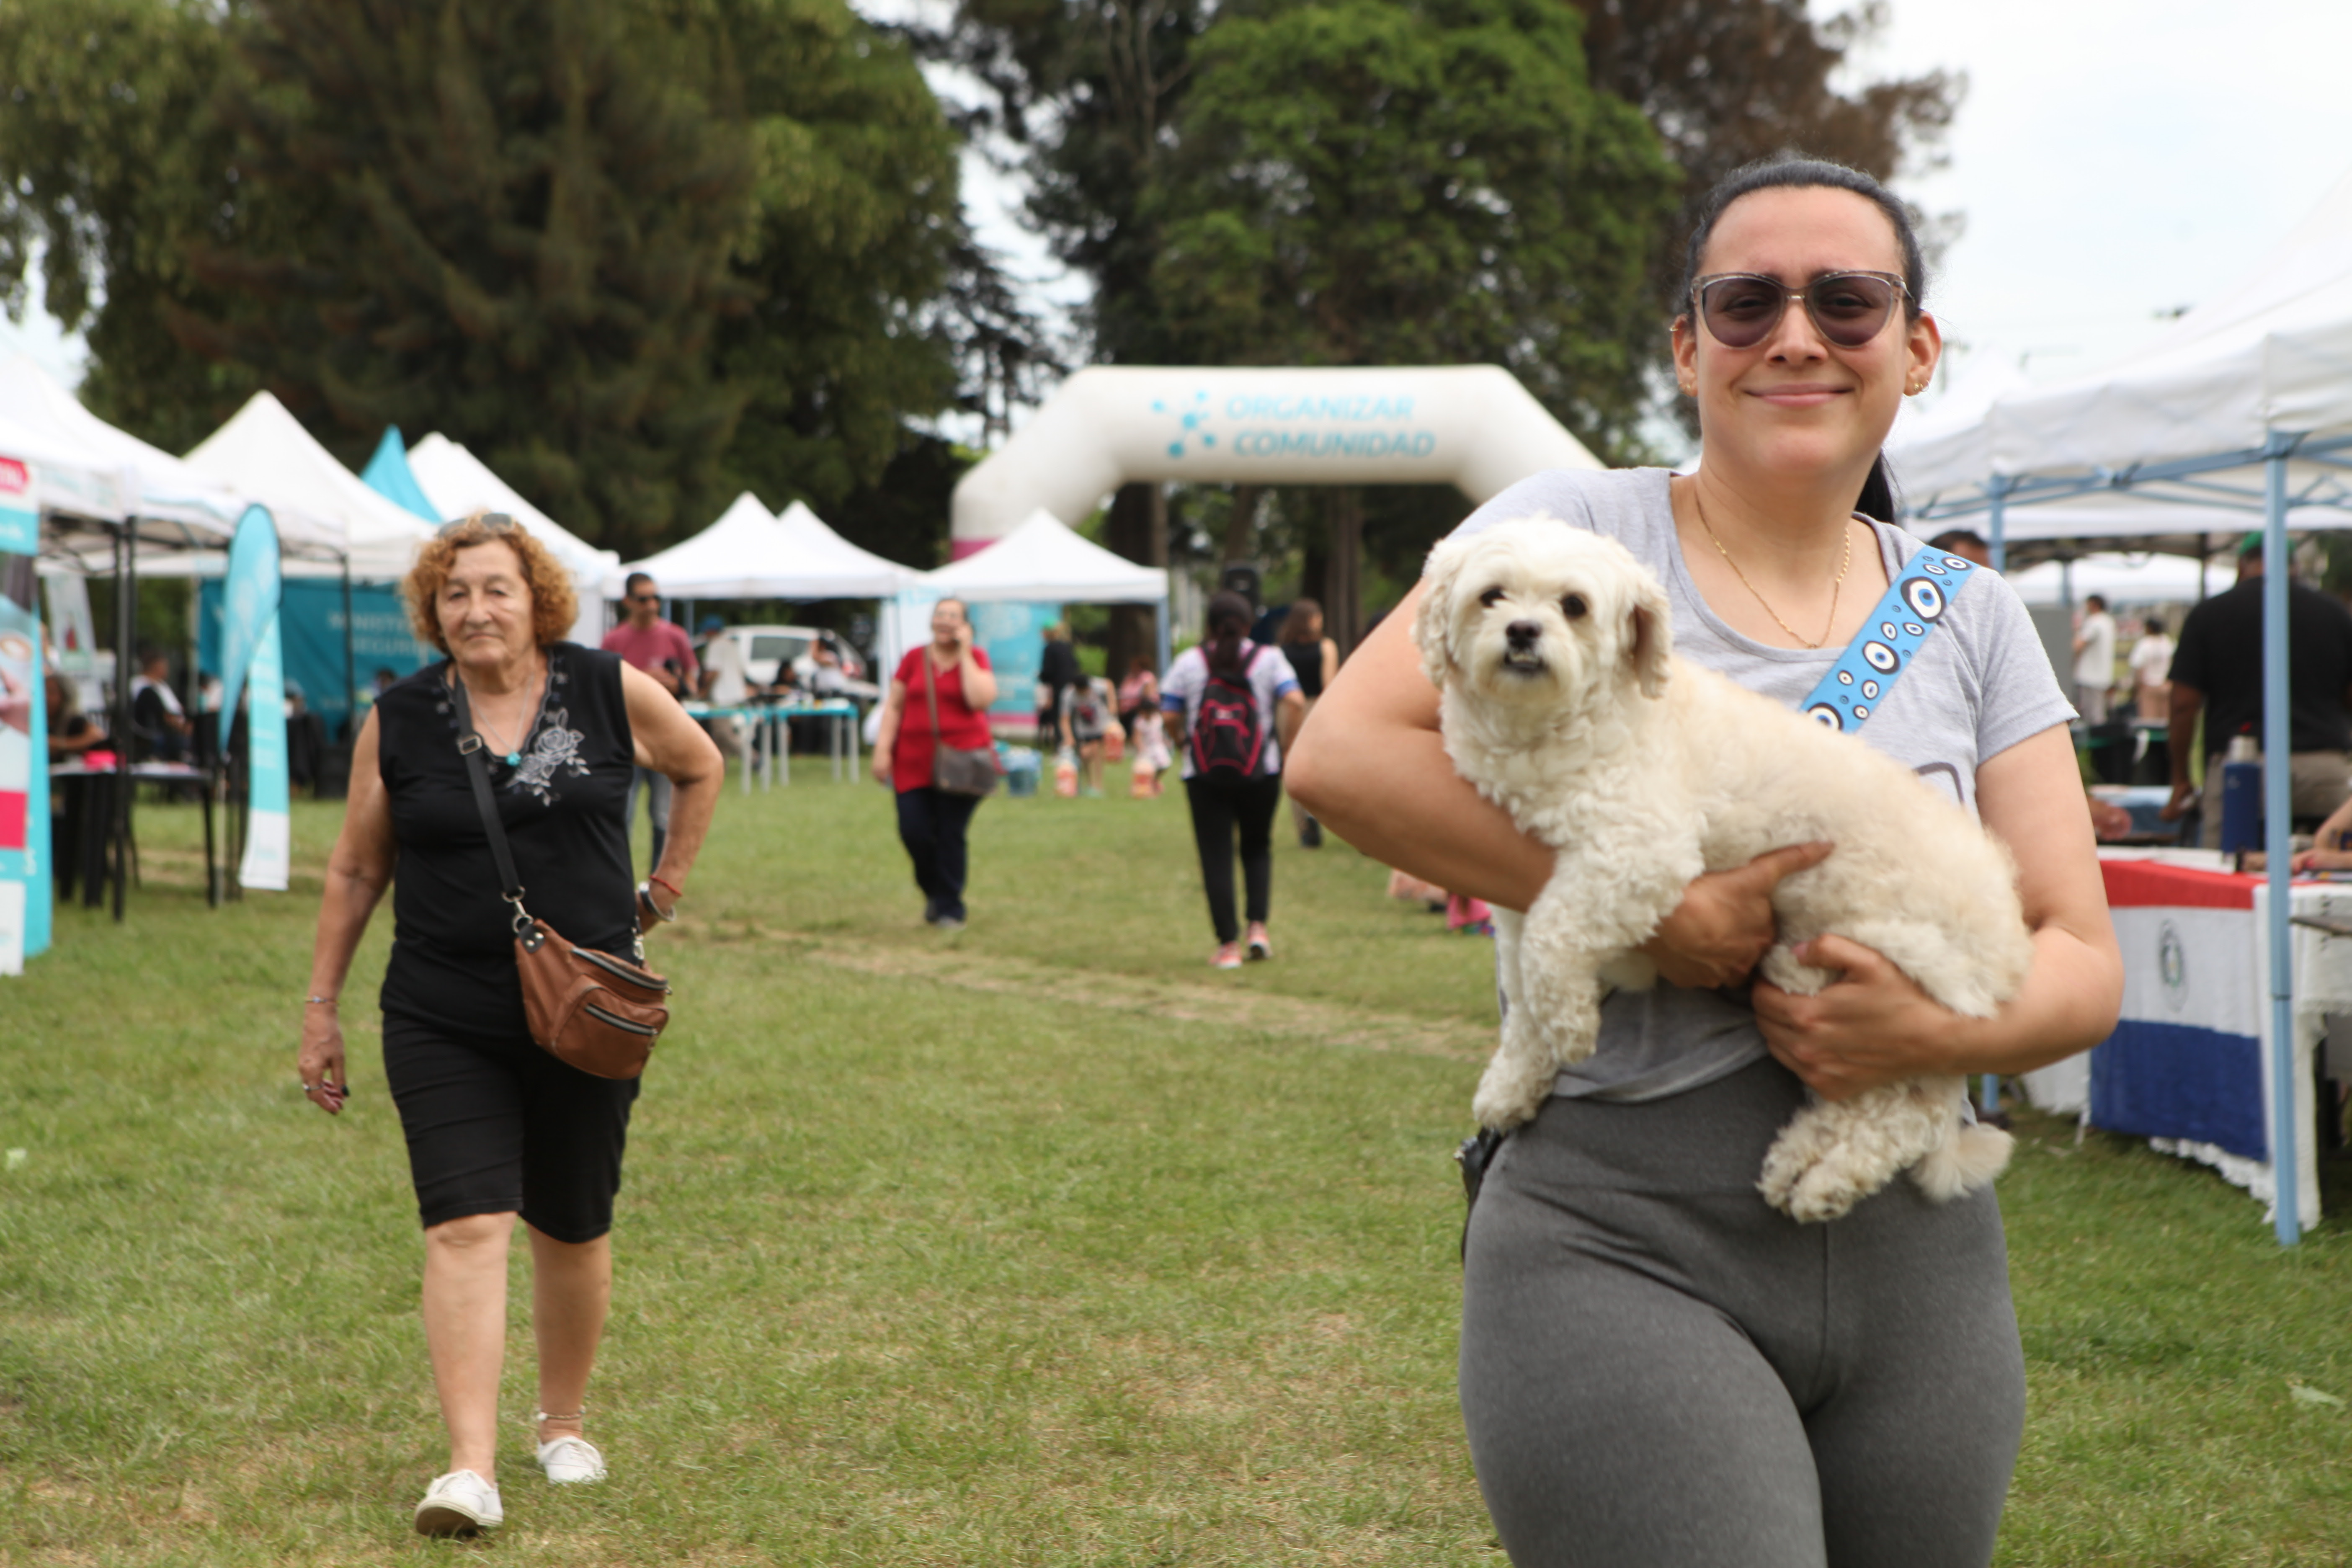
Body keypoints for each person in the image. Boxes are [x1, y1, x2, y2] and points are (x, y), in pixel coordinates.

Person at [1288, 156, 2120, 1568]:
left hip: (1918, 1261)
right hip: (1616, 1235)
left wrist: (1932, 1027)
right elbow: (1339, 756)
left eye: (1845, 302)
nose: (1793, 335)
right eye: (1744, 304)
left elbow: (2079, 957)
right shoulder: (1573, 530)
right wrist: (1656, 909)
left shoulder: (1971, 614)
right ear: (1686, 345)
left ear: (1913, 349)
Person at [296, 513, 721, 1537]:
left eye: (496, 587)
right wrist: (321, 1006)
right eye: (454, 593)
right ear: (432, 610)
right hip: (441, 1006)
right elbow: (358, 866)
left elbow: (699, 763)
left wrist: (660, 888)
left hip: (585, 1002)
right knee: (466, 1220)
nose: (476, 608)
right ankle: (469, 1467)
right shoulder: (397, 717)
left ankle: (562, 1421)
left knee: (570, 1220)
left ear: (536, 597)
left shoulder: (607, 687)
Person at [2162, 533, 2352, 849]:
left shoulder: (2210, 614)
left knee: (2226, 870)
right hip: (2324, 766)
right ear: (2295, 566)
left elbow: (2183, 703)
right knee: (2329, 872)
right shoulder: (2335, 613)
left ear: (2243, 565)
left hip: (2243, 766)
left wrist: (2180, 776)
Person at [1163, 590, 1305, 968]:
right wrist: (1287, 743)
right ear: (1248, 624)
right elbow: (1294, 700)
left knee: (1216, 857)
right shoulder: (1270, 659)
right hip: (1262, 769)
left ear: (1209, 625)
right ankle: (1258, 929)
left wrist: (1183, 741)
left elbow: (1168, 710)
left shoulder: (1189, 662)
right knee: (1258, 848)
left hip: (1204, 773)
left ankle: (1228, 946)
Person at [870, 598, 998, 930]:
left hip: (963, 761)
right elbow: (894, 705)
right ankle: (935, 893)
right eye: (941, 614)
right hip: (912, 761)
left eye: (954, 616)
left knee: (950, 833)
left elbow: (980, 700)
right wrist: (883, 750)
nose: (946, 621)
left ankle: (950, 909)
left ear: (966, 624)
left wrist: (966, 652)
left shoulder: (977, 657)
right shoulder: (914, 658)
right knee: (913, 831)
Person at [601, 573, 697, 869]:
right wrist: (643, 681)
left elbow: (693, 685)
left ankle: (658, 883)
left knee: (663, 814)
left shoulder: (675, 636)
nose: (652, 605)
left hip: (667, 738)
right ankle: (620, 879)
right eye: (644, 599)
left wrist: (676, 683)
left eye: (656, 598)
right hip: (627, 740)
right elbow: (601, 691)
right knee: (623, 813)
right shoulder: (614, 640)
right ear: (628, 601)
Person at [1276, 599, 1341, 847]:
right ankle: (1316, 814)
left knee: (1292, 766)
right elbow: (1329, 685)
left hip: (1288, 708)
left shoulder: (1280, 650)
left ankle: (1303, 825)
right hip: (1315, 707)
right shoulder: (1326, 647)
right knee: (1318, 765)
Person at [129, 647, 191, 763]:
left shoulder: (162, 685)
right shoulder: (141, 685)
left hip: (175, 729)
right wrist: (184, 728)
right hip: (158, 733)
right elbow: (162, 714)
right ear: (156, 666)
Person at [2073, 593, 2117, 724]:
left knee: (2092, 716)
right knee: (2100, 713)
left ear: (2094, 605)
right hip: (2104, 676)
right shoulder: (2109, 622)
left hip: (2090, 677)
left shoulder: (2094, 622)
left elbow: (2078, 646)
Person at [1036, 621, 1080, 748]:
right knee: (1071, 717)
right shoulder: (1067, 647)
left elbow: (1048, 672)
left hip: (1058, 688)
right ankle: (1074, 744)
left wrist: (1042, 678)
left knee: (1058, 717)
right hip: (1072, 686)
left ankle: (1061, 745)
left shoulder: (1050, 648)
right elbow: (1075, 665)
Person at [2129, 615, 2174, 723]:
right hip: (2166, 685)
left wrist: (2137, 685)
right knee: (2166, 721)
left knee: (2149, 722)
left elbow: (2138, 666)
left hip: (2148, 686)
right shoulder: (2168, 642)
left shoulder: (2145, 643)